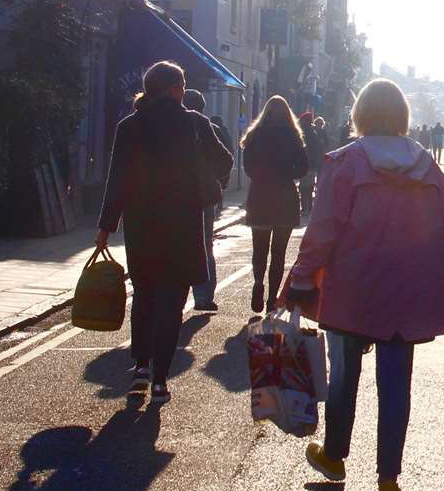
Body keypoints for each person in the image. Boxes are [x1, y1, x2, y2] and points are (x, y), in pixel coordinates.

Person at [281, 78, 444, 491]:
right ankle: (388, 480)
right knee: (396, 382)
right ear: (402, 116)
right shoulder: (426, 165)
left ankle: (335, 456)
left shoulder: (344, 162)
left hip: (353, 285)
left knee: (344, 374)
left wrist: (301, 278)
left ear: (359, 114)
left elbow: (324, 228)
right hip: (408, 287)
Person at [97, 61, 233, 402]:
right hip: (183, 222)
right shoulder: (195, 123)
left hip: (141, 223)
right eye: (182, 83)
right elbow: (225, 161)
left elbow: (117, 178)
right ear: (172, 88)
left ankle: (141, 366)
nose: (185, 89)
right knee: (173, 300)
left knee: (144, 295)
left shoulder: (130, 126)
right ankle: (160, 379)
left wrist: (105, 226)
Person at [241, 95, 310, 314]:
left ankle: (258, 282)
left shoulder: (255, 135)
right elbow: (302, 169)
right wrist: (286, 172)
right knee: (279, 252)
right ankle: (272, 298)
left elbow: (249, 168)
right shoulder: (293, 136)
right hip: (284, 196)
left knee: (259, 248)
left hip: (260, 194)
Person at [183, 89, 232, 312]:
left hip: (171, 197)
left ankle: (175, 295)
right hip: (203, 195)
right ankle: (203, 297)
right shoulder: (207, 127)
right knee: (204, 244)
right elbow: (226, 160)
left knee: (176, 245)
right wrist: (217, 181)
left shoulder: (167, 126)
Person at [297, 111, 319, 217]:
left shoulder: (304, 132)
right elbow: (316, 149)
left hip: (305, 162)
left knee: (304, 186)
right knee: (309, 186)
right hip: (311, 163)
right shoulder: (313, 132)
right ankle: (309, 207)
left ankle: (305, 207)